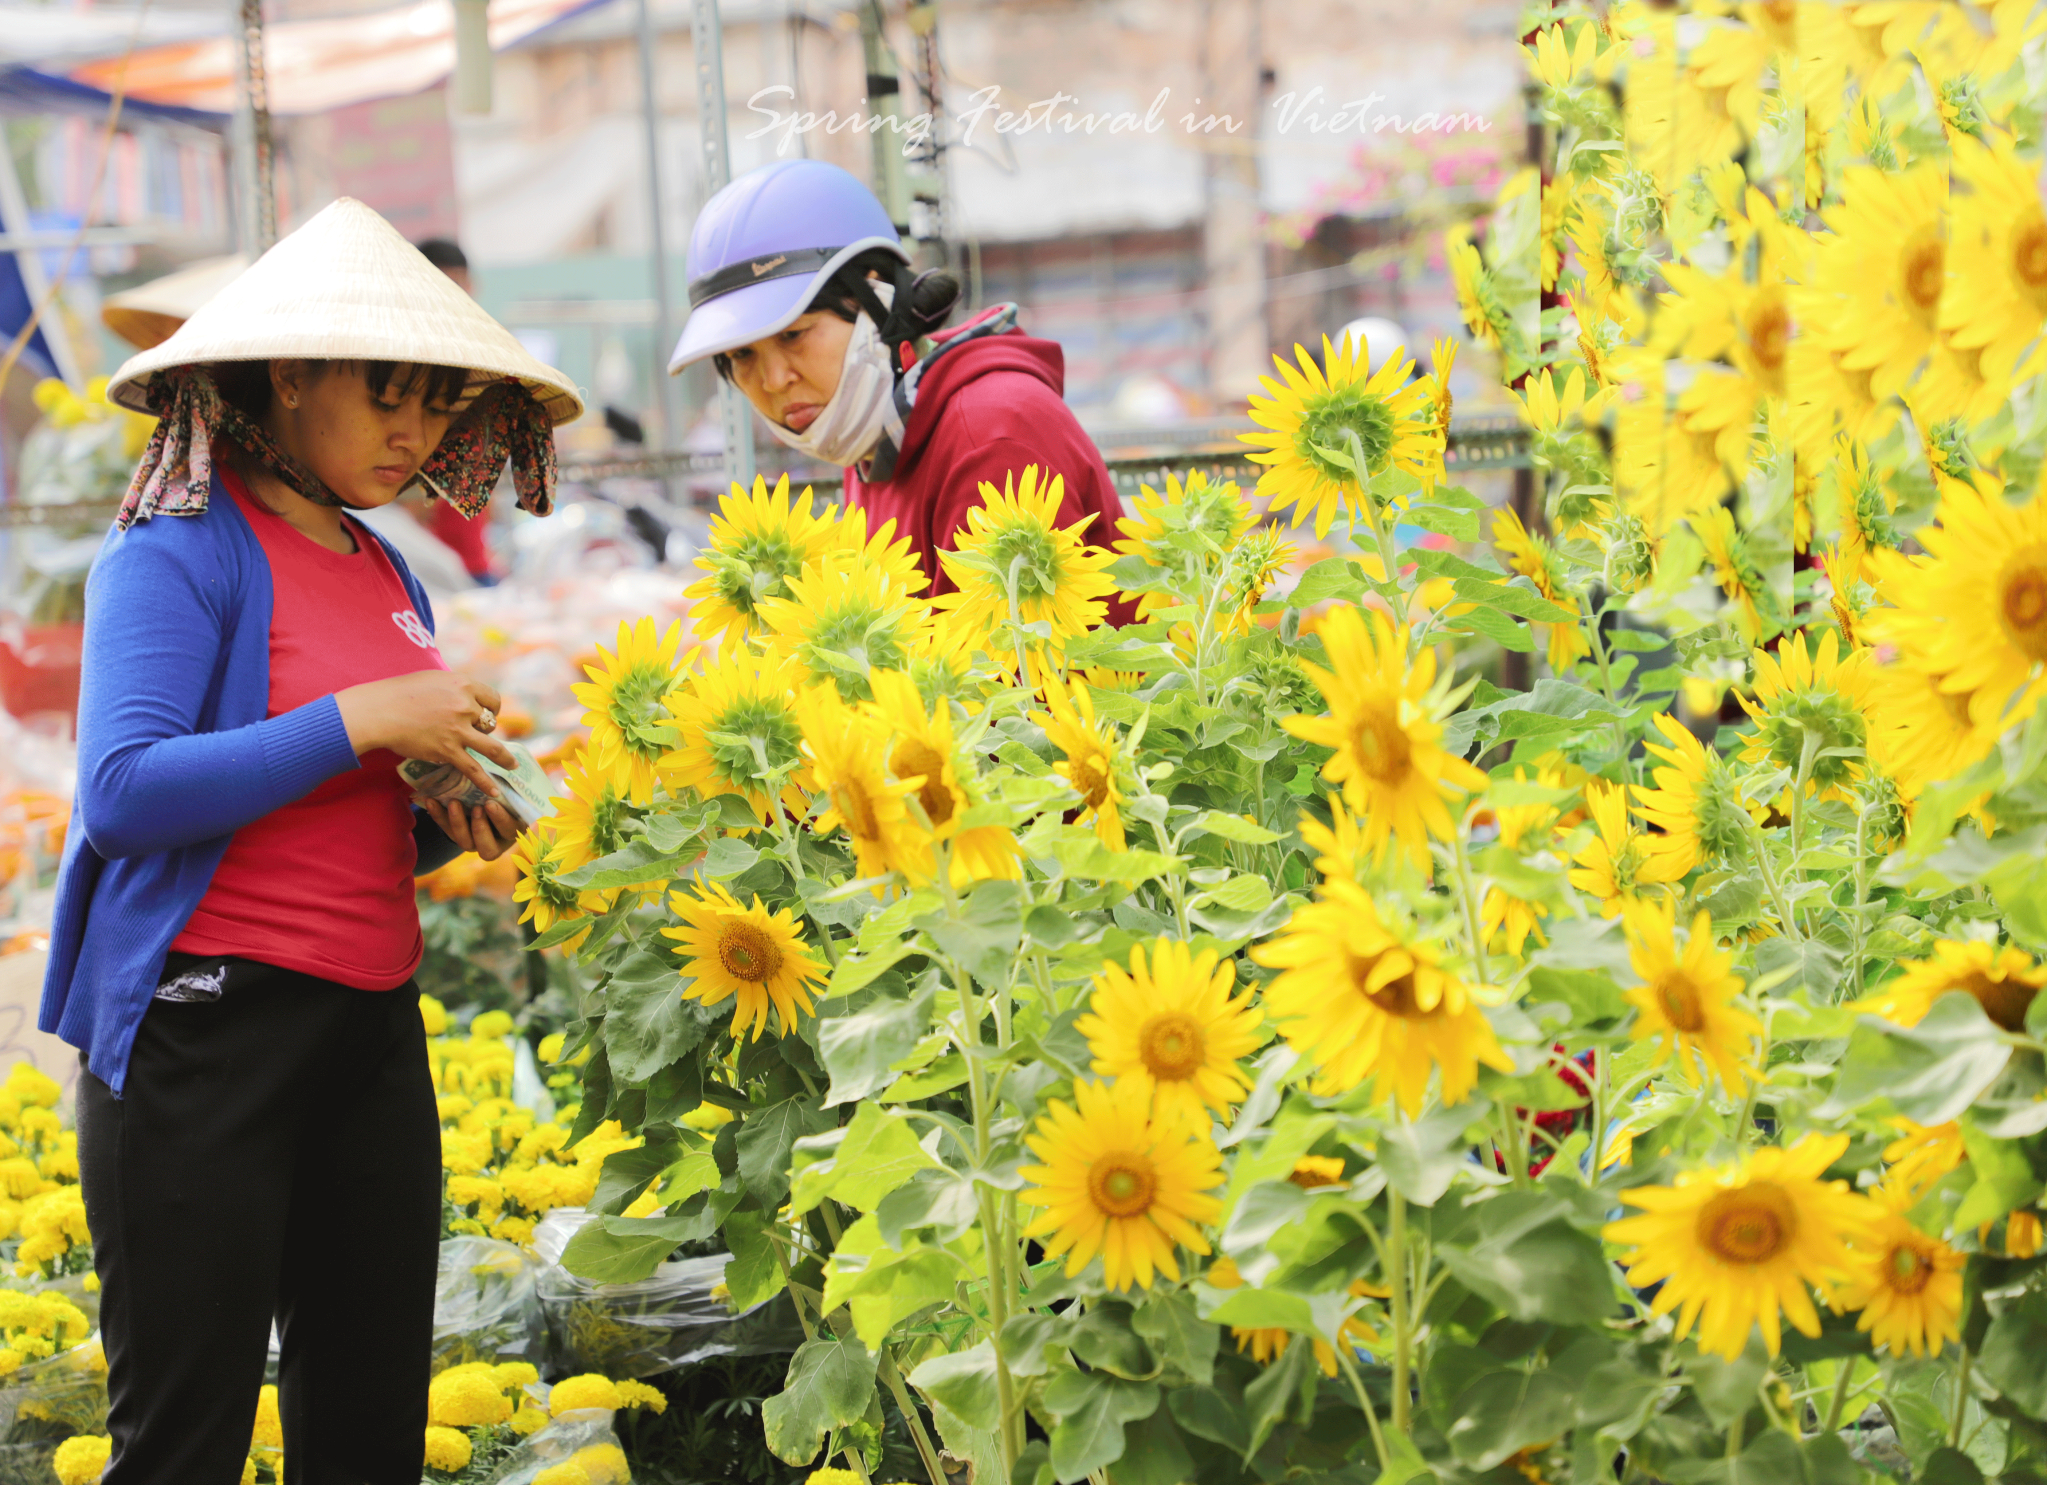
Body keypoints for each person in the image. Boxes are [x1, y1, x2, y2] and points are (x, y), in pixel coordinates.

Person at [39, 197, 582, 1485]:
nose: (417, 433)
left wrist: (435, 817)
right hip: (202, 1040)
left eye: (441, 407)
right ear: (288, 377)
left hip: (368, 1041)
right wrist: (363, 719)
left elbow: (332, 821)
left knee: (369, 1435)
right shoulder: (176, 549)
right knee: (185, 1446)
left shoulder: (385, 567)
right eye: (387, 397)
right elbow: (121, 792)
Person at [666, 159, 1129, 599]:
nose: (773, 380)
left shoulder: (988, 433)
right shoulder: (872, 442)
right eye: (742, 354)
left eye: (794, 334)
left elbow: (1013, 677)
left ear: (875, 299)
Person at [412, 236, 499, 583]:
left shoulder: (476, 363)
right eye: (446, 288)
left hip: (474, 561)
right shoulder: (407, 368)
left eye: (462, 288)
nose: (457, 301)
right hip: (426, 567)